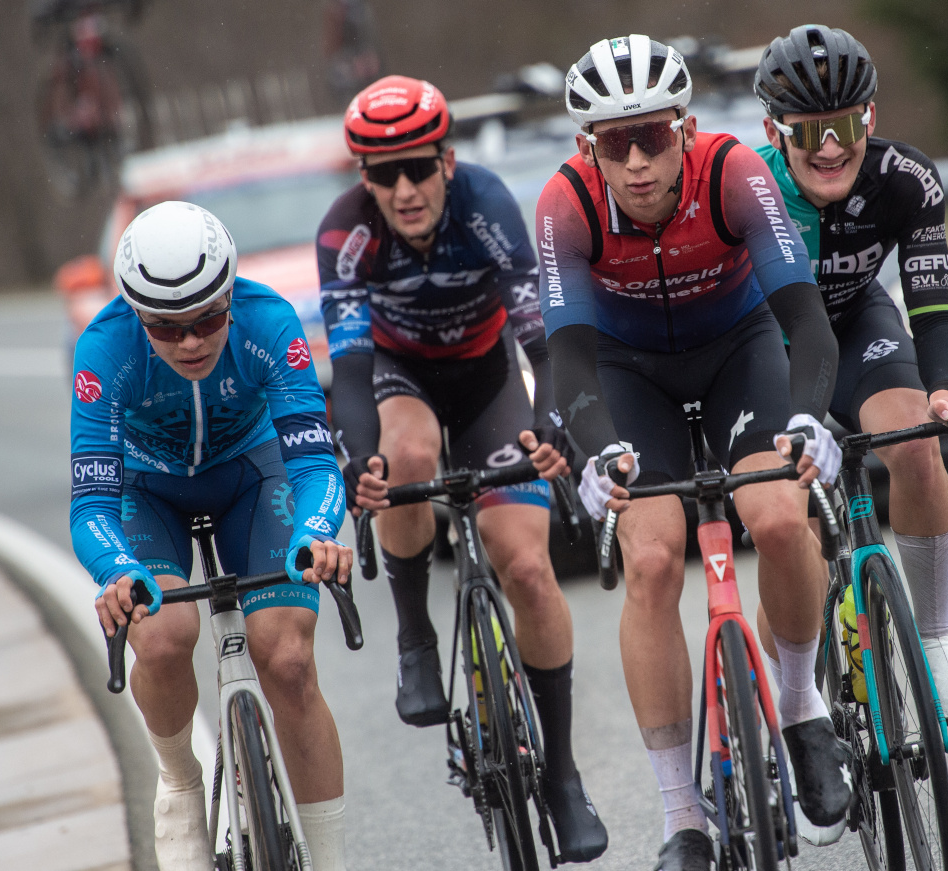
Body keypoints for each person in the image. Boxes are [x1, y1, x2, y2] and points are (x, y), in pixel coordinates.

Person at [538, 35, 852, 871]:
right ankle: (682, 815)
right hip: (625, 369)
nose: (637, 161)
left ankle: (799, 705)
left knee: (782, 516)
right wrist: (599, 453)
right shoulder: (566, 204)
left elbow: (805, 319)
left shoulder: (734, 172)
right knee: (649, 561)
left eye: (653, 137)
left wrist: (811, 419)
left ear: (685, 127)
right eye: (615, 142)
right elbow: (567, 359)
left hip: (737, 347)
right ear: (586, 148)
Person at [316, 74, 608, 862]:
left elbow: (541, 337)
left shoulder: (488, 204)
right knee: (403, 455)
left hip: (487, 379)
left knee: (529, 567)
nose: (404, 190)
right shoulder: (345, 232)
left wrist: (555, 421)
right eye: (383, 175)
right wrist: (359, 457)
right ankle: (414, 633)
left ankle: (562, 772)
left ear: (447, 161)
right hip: (399, 379)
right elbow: (347, 372)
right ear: (363, 179)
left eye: (417, 168)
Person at [73, 201, 354, 871]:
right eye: (167, 329)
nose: (191, 341)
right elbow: (91, 503)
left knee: (286, 657)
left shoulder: (268, 320)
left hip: (251, 477)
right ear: (136, 315)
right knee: (165, 637)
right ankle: (179, 783)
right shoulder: (104, 349)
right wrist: (117, 571)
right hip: (150, 490)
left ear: (229, 296)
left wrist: (318, 533)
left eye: (206, 319)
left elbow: (315, 464)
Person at [753, 25, 948, 724]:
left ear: (873, 117)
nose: (832, 146)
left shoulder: (905, 179)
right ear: (774, 129)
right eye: (809, 132)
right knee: (788, 525)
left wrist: (945, 387)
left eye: (849, 123)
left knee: (916, 439)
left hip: (858, 326)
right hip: (769, 346)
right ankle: (789, 710)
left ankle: (937, 640)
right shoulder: (745, 186)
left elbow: (935, 306)